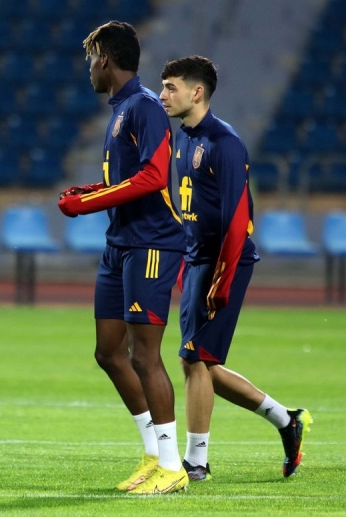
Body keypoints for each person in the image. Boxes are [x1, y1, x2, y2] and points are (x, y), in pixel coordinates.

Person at [159, 55, 312, 481]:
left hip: (224, 261)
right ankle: (286, 420)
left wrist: (222, 279)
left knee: (193, 358)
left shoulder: (224, 143)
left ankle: (197, 461)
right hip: (198, 260)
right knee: (200, 363)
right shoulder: (184, 137)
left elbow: (236, 219)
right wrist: (185, 261)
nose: (162, 94)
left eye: (171, 87)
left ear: (197, 92)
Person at [57, 21, 188, 493]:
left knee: (144, 356)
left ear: (105, 61)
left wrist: (88, 204)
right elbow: (126, 180)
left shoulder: (144, 107)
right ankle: (153, 454)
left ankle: (173, 467)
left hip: (152, 243)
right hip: (121, 243)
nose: (89, 69)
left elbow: (153, 177)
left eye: (91, 59)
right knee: (109, 352)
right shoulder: (121, 110)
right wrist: (88, 191)